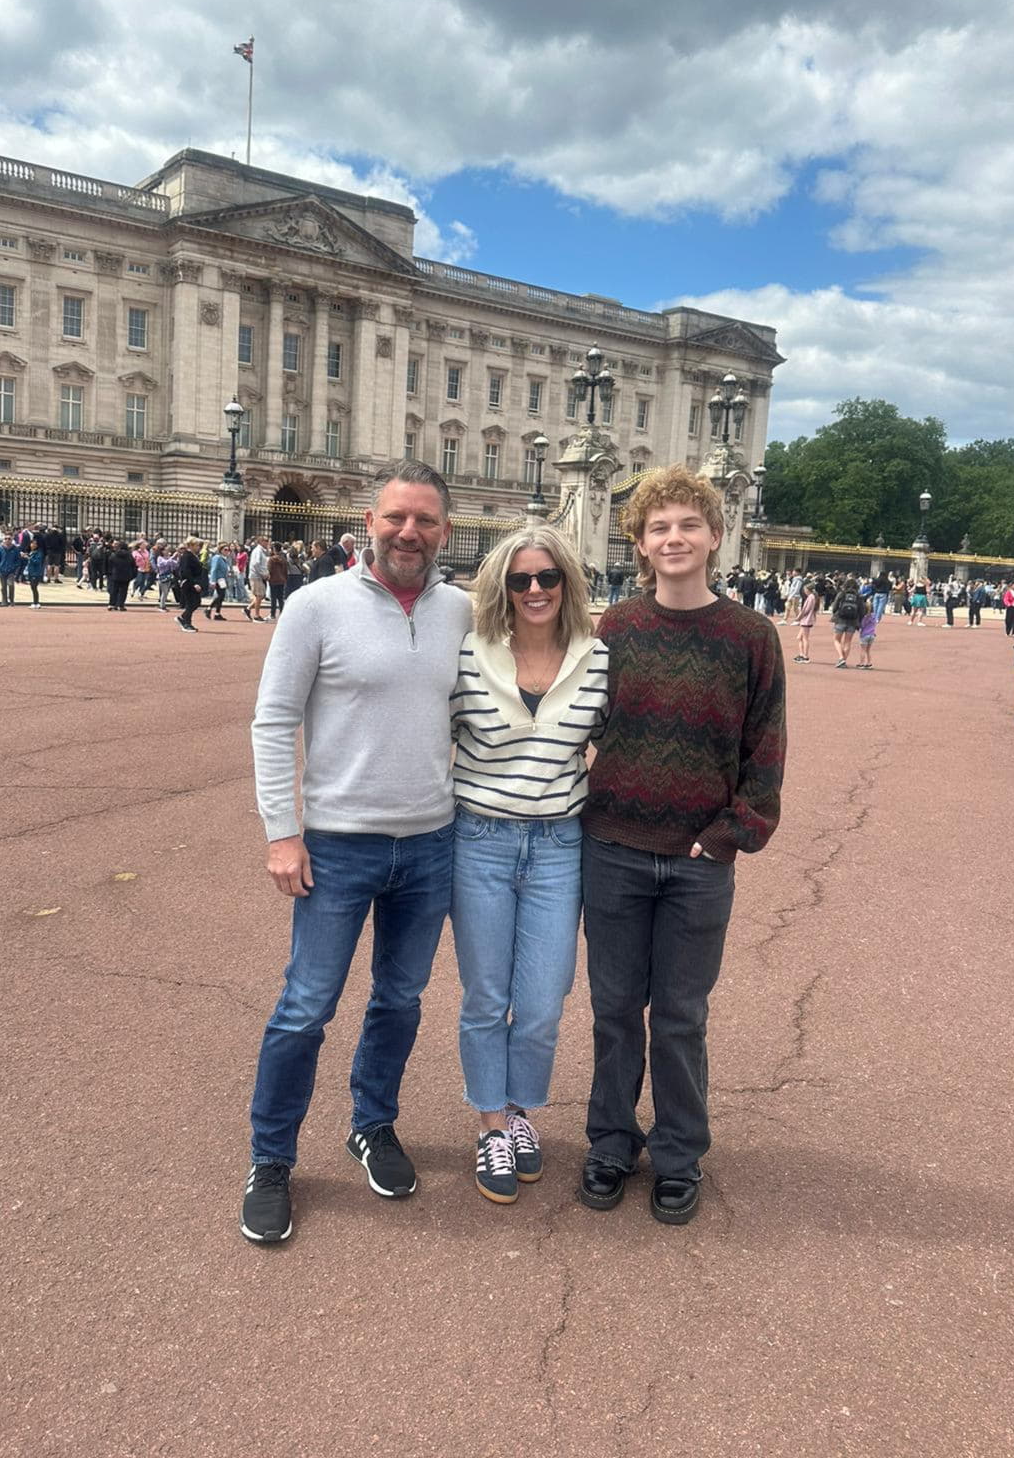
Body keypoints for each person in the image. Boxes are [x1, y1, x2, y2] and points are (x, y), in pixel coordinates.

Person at [242, 460, 473, 1245]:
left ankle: (372, 1124)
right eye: (396, 518)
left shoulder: (462, 612)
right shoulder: (316, 605)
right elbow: (273, 719)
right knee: (306, 1006)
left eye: (425, 521)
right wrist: (282, 831)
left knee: (400, 1001)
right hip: (338, 844)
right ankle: (271, 1159)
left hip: (431, 841)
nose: (410, 532)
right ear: (369, 522)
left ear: (445, 531)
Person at [577, 465, 786, 1226]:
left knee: (680, 1015)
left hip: (699, 857)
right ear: (640, 543)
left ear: (715, 535)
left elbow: (766, 744)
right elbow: (585, 722)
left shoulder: (751, 636)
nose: (674, 538)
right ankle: (610, 1141)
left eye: (688, 524)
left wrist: (734, 833)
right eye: (659, 527)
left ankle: (677, 1152)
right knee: (612, 1008)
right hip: (613, 847)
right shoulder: (617, 628)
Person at [449, 526, 609, 1205]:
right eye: (521, 580)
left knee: (543, 1002)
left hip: (558, 845)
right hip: (479, 839)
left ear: (567, 582)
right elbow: (432, 736)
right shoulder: (471, 654)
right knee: (487, 996)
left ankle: (520, 1111)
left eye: (548, 577)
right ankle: (493, 1124)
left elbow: (618, 742)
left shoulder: (596, 659)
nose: (535, 590)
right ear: (503, 588)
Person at [173, 539, 206, 633]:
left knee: (196, 602)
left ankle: (185, 619)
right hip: (188, 582)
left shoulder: (193, 555)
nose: (199, 547)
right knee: (191, 602)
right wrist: (194, 583)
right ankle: (185, 621)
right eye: (197, 545)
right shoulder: (187, 556)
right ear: (191, 545)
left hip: (193, 582)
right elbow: (185, 571)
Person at [830, 575, 864, 668]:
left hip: (840, 619)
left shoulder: (842, 594)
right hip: (852, 621)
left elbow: (835, 606)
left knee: (837, 640)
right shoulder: (858, 596)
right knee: (848, 642)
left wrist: (835, 614)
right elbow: (862, 610)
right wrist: (860, 621)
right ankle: (843, 660)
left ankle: (841, 658)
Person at [106, 538, 136, 612]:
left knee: (114, 590)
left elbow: (110, 563)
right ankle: (120, 605)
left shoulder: (114, 555)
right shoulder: (129, 556)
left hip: (116, 575)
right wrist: (132, 575)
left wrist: (110, 573)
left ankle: (111, 604)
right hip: (126, 575)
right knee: (123, 591)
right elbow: (133, 565)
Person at [793, 577, 818, 662]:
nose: (804, 591)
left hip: (806, 620)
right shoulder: (811, 597)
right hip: (806, 619)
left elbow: (806, 610)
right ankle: (801, 654)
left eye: (805, 590)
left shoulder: (811, 597)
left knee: (805, 638)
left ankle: (805, 656)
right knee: (799, 637)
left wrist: (799, 617)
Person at [0, 533, 22, 604]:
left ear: (12, 540)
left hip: (11, 571)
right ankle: (4, 601)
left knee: (11, 585)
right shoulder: (0, 548)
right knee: (3, 587)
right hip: (2, 570)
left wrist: (14, 567)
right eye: (5, 539)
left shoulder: (15, 549)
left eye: (9, 539)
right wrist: (0, 566)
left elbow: (18, 560)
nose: (7, 540)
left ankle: (11, 600)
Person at [206, 543, 230, 619]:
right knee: (220, 595)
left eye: (228, 550)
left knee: (221, 596)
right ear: (221, 550)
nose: (227, 551)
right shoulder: (217, 557)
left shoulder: (224, 559)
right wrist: (212, 581)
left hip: (222, 580)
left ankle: (217, 613)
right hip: (218, 579)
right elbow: (214, 569)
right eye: (225, 550)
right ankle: (209, 608)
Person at [21, 536, 45, 608]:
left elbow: (37, 561)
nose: (33, 545)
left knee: (34, 587)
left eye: (35, 544)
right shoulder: (31, 552)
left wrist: (28, 558)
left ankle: (36, 602)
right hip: (31, 572)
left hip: (36, 572)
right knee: (32, 587)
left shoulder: (39, 552)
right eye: (32, 543)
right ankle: (35, 602)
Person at [265, 543, 288, 619]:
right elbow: (285, 570)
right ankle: (282, 612)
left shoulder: (271, 559)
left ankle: (272, 614)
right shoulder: (284, 559)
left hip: (273, 580)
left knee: (273, 598)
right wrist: (285, 578)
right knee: (280, 598)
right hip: (281, 580)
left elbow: (269, 569)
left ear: (274, 549)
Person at [854, 602, 877, 668]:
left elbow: (862, 625)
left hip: (865, 635)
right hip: (872, 634)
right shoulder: (874, 616)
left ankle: (862, 663)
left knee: (863, 650)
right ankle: (869, 663)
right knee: (868, 650)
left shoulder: (865, 617)